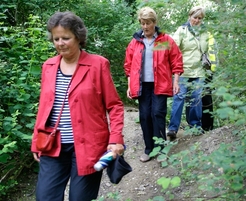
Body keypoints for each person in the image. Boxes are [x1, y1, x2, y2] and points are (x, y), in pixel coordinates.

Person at [30, 11, 125, 201]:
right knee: (44, 197)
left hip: (88, 145)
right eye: (56, 38)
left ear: (79, 37)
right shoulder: (48, 66)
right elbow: (44, 106)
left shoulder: (98, 65)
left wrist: (116, 139)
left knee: (80, 198)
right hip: (53, 145)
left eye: (65, 38)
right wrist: (36, 140)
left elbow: (114, 105)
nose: (60, 43)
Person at [123, 7, 183, 162]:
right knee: (144, 116)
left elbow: (176, 61)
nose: (145, 26)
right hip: (142, 86)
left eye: (148, 23)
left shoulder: (165, 41)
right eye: (142, 23)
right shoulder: (135, 42)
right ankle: (149, 149)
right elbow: (128, 66)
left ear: (154, 23)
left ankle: (162, 149)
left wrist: (176, 82)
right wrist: (130, 86)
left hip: (161, 84)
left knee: (157, 114)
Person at [167, 6, 218, 139]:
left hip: (199, 71)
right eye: (195, 17)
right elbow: (172, 48)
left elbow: (210, 51)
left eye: (200, 18)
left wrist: (212, 69)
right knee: (179, 98)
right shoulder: (182, 30)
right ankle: (173, 128)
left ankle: (195, 126)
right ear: (189, 17)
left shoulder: (206, 33)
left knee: (196, 99)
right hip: (182, 71)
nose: (197, 20)